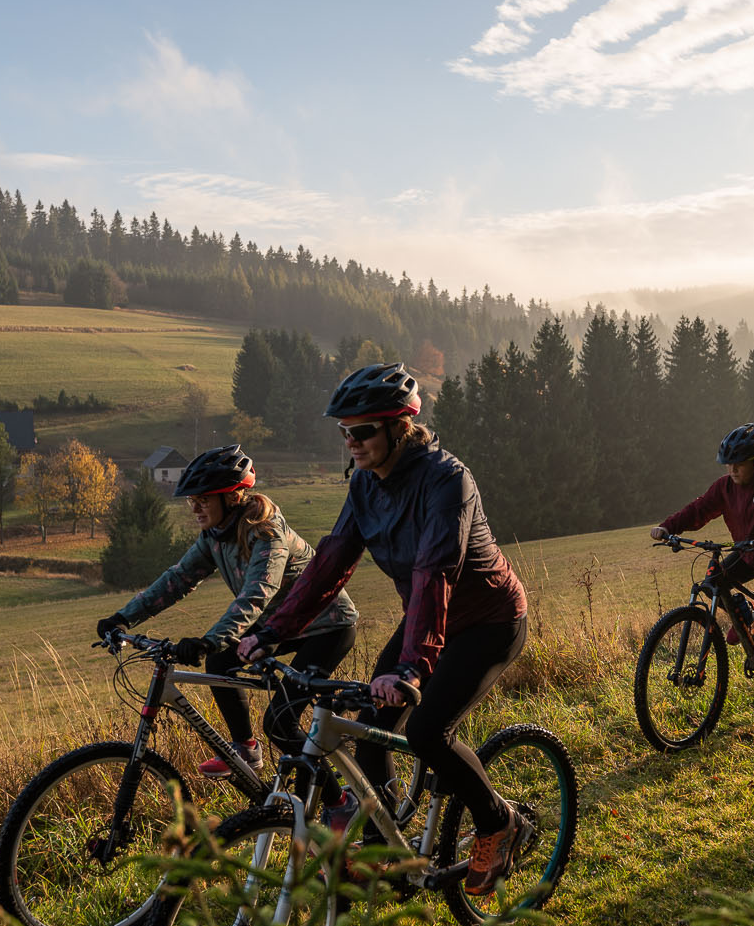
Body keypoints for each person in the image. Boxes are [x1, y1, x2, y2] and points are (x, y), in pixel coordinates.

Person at [237, 362, 531, 897]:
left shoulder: (448, 481)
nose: (351, 441)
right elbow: (330, 564)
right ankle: (384, 849)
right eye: (344, 431)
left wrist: (411, 666)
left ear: (401, 425)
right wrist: (271, 631)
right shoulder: (366, 486)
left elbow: (435, 571)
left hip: (488, 621)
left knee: (425, 733)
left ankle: (498, 822)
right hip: (426, 619)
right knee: (369, 732)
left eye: (363, 430)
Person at [97, 445, 357, 777]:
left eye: (203, 499)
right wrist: (123, 617)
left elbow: (256, 595)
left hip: (327, 626)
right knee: (220, 662)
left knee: (279, 723)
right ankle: (245, 751)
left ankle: (338, 800)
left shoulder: (267, 533)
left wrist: (210, 639)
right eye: (192, 501)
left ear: (232, 497)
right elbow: (177, 580)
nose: (195, 508)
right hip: (277, 625)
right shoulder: (215, 536)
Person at [650, 422, 754, 707]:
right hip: (748, 552)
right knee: (711, 583)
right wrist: (669, 527)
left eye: (739, 465)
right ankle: (744, 616)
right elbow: (698, 509)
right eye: (728, 465)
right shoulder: (725, 487)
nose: (732, 470)